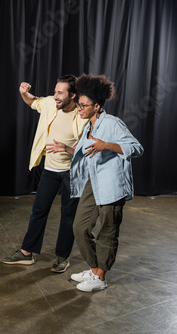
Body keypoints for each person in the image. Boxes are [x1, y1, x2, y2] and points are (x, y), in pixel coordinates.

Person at [47, 74, 143, 291]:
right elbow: (88, 152)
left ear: (97, 106)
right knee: (80, 227)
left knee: (107, 231)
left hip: (112, 185)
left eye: (83, 105)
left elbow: (137, 148)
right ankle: (93, 269)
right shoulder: (88, 126)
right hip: (93, 183)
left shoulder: (112, 123)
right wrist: (67, 149)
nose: (79, 108)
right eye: (78, 104)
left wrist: (107, 145)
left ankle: (100, 277)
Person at [2, 75, 88, 272]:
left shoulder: (83, 116)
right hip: (50, 169)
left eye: (60, 93)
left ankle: (62, 257)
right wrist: (24, 93)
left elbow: (87, 154)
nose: (55, 96)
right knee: (39, 211)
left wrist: (66, 148)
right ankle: (26, 252)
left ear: (73, 95)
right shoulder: (51, 104)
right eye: (55, 91)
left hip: (72, 173)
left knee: (68, 215)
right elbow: (33, 101)